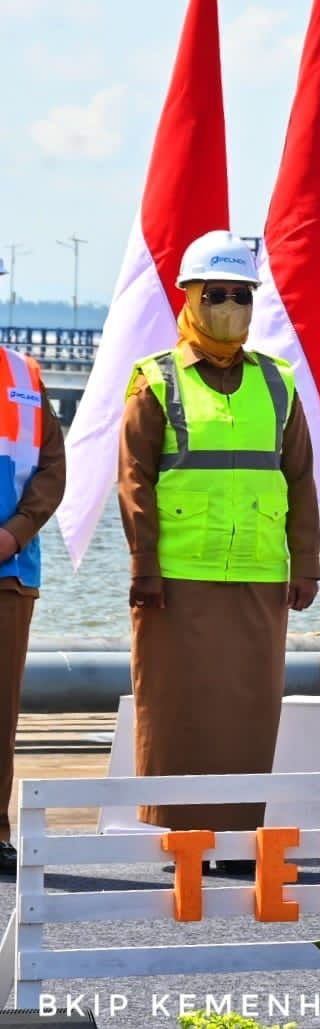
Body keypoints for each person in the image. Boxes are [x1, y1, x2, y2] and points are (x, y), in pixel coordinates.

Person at [117, 230, 319, 869]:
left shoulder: (279, 383)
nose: (230, 306)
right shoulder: (156, 380)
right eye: (217, 294)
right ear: (190, 298)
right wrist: (144, 567)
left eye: (241, 295)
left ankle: (236, 841)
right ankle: (178, 839)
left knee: (248, 713)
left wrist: (305, 565)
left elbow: (301, 480)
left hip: (259, 572)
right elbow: (134, 481)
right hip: (177, 577)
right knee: (176, 711)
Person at [0, 288, 67, 876]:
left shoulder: (25, 375)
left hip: (8, 573)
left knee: (0, 711)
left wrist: (14, 533)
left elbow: (51, 469)